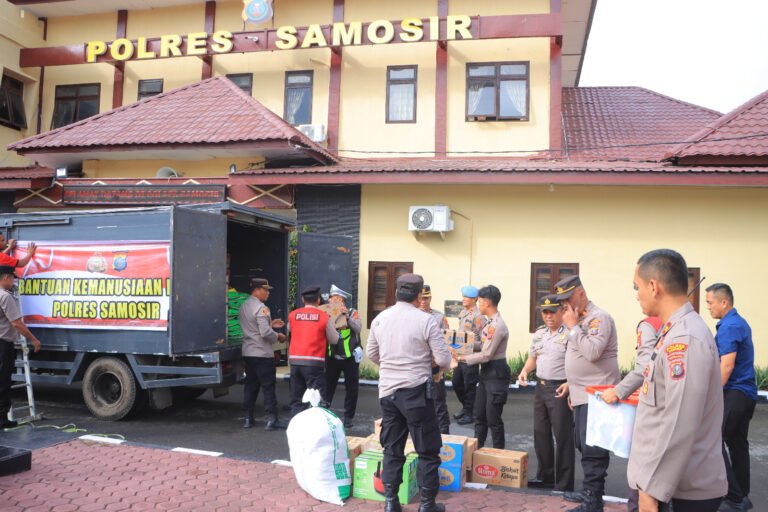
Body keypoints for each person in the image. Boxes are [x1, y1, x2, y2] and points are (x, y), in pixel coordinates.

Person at [628, 249, 727, 512]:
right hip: (671, 484)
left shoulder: (685, 339)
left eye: (637, 287)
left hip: (680, 490)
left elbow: (679, 423)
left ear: (653, 286)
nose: (636, 295)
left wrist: (652, 488)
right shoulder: (673, 331)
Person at [366, 273, 451, 512]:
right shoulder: (426, 321)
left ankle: (390, 502)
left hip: (388, 393)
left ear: (396, 293)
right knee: (427, 450)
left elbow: (372, 353)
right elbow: (444, 360)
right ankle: (426, 504)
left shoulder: (380, 318)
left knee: (392, 448)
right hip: (416, 393)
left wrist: (391, 364)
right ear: (419, 295)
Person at [555, 275, 620, 512]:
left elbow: (592, 352)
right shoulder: (579, 319)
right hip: (584, 394)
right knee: (584, 445)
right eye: (562, 300)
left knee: (594, 449)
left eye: (568, 298)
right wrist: (572, 386)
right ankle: (589, 491)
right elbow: (578, 356)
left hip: (599, 394)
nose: (565, 304)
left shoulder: (598, 318)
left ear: (581, 293)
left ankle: (593, 500)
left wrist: (573, 327)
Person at [598, 315, 662, 512]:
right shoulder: (686, 324)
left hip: (655, 407)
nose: (639, 299)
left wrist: (618, 391)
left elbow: (644, 368)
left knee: (641, 475)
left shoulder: (649, 324)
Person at [705, 283, 757, 512]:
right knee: (737, 444)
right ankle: (742, 496)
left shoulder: (729, 326)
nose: (708, 307)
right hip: (746, 394)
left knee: (713, 441)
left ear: (724, 302)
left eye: (710, 302)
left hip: (735, 392)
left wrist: (711, 396)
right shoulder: (738, 322)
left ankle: (735, 498)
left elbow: (726, 365)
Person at [518, 294, 575, 493]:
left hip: (560, 388)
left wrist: (571, 383)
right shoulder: (540, 333)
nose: (548, 316)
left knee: (562, 436)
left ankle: (564, 483)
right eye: (545, 312)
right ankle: (546, 476)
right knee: (541, 432)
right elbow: (533, 357)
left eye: (553, 312)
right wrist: (525, 370)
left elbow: (578, 363)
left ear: (561, 312)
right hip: (541, 388)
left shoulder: (570, 334)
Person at [455, 285, 509, 449]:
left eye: (480, 301)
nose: (478, 305)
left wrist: (462, 357)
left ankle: (499, 453)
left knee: (493, 418)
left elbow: (486, 354)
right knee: (479, 415)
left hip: (496, 373)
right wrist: (460, 345)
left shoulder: (497, 325)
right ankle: (477, 450)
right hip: (486, 372)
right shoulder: (490, 323)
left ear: (486, 302)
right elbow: (482, 344)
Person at [239, 278, 287, 431]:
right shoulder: (262, 308)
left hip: (248, 352)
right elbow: (265, 333)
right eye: (265, 290)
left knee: (250, 386)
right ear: (257, 290)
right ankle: (272, 420)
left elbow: (252, 326)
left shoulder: (244, 306)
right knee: (268, 387)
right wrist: (278, 336)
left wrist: (270, 324)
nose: (268, 293)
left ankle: (248, 418)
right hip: (262, 353)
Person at [287, 286, 339, 417]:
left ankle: (296, 424)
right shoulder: (324, 317)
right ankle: (316, 426)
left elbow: (290, 330)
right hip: (314, 362)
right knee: (317, 399)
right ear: (318, 300)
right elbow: (334, 340)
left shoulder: (292, 315)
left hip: (295, 362)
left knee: (296, 398)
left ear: (303, 300)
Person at [0, 265, 41, 429]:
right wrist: (33, 339)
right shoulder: (5, 297)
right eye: (12, 278)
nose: (13, 282)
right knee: (3, 381)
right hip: (3, 344)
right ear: (6, 277)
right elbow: (16, 323)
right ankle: (2, 419)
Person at [321, 284, 362, 429]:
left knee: (352, 388)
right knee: (328, 386)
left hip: (350, 358)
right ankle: (324, 414)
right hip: (332, 356)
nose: (331, 301)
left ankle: (348, 417)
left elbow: (358, 328)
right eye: (331, 298)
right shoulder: (326, 312)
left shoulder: (352, 312)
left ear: (341, 300)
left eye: (334, 298)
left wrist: (347, 317)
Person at [419, 284, 451, 434]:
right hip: (418, 365)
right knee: (419, 403)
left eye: (426, 298)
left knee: (438, 401)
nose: (423, 301)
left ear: (430, 298)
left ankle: (444, 434)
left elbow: (447, 340)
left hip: (435, 366)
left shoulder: (439, 317)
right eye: (421, 298)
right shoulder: (412, 316)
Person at [452, 285, 485, 426]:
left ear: (474, 299)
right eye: (463, 296)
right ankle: (466, 408)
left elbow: (482, 341)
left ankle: (470, 413)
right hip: (459, 356)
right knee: (457, 383)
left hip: (470, 357)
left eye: (467, 297)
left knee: (469, 387)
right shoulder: (463, 312)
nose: (464, 299)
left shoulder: (478, 317)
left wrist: (467, 345)